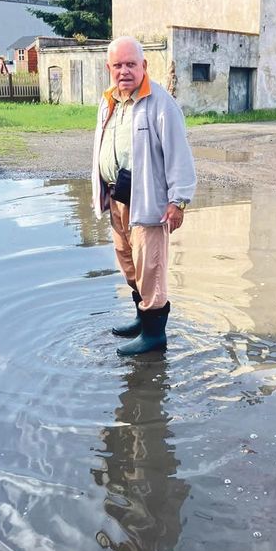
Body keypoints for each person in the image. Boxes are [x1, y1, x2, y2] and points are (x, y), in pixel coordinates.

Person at [92, 36, 196, 355]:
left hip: (148, 201)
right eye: (118, 65)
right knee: (129, 262)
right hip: (118, 198)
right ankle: (142, 319)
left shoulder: (160, 102)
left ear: (144, 66)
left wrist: (177, 202)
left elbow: (179, 154)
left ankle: (154, 336)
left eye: (131, 64)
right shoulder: (109, 100)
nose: (124, 71)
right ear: (109, 68)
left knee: (150, 266)